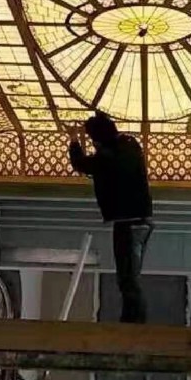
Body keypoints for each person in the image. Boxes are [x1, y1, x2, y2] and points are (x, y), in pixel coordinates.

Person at [68, 112, 153, 324]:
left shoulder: (107, 158)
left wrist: (74, 140)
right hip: (141, 220)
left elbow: (80, 164)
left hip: (127, 224)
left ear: (98, 139)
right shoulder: (130, 145)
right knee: (129, 278)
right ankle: (133, 322)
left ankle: (134, 325)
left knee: (128, 279)